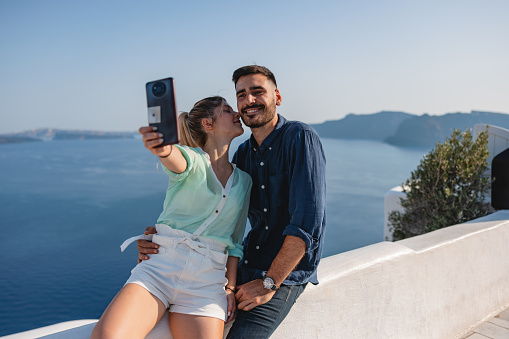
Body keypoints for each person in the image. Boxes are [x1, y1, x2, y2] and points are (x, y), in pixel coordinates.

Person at [138, 65, 327, 338]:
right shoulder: (242, 156)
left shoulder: (299, 137)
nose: (248, 101)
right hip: (243, 267)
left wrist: (269, 283)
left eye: (257, 92)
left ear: (277, 97)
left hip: (283, 275)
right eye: (241, 95)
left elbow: (307, 223)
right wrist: (163, 239)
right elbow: (220, 220)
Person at [92, 96, 252, 339]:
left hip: (207, 283)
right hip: (159, 270)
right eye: (227, 110)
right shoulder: (191, 159)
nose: (236, 114)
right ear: (208, 124)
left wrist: (229, 288)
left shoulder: (244, 181)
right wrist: (161, 146)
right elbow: (171, 156)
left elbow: (235, 243)